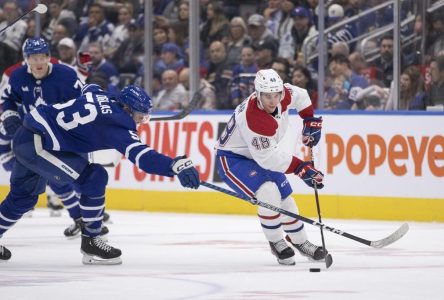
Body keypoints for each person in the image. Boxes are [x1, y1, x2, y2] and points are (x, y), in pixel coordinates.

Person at [0, 84, 200, 264]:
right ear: (127, 109)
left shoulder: (103, 95)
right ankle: (91, 241)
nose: (141, 122)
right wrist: (175, 165)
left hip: (27, 136)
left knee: (22, 198)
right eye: (140, 117)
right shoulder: (118, 128)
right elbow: (144, 158)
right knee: (94, 177)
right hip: (39, 145)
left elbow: (89, 87)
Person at [215, 69, 327, 265]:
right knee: (268, 193)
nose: (273, 100)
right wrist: (301, 168)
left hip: (258, 155)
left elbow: (302, 96)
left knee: (286, 200)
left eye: (276, 94)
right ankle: (276, 242)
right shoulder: (254, 118)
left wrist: (309, 119)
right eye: (267, 96)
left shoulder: (284, 94)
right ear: (258, 93)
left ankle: (301, 242)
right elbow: (268, 158)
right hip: (233, 159)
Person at [0, 37, 107, 238]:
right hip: (35, 140)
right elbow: (7, 99)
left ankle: (88, 220)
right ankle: (82, 219)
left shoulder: (66, 74)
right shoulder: (17, 77)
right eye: (33, 58)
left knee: (78, 178)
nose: (38, 62)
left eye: (42, 57)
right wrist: (9, 114)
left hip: (66, 137)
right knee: (44, 185)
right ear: (26, 59)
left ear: (49, 57)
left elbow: (84, 99)